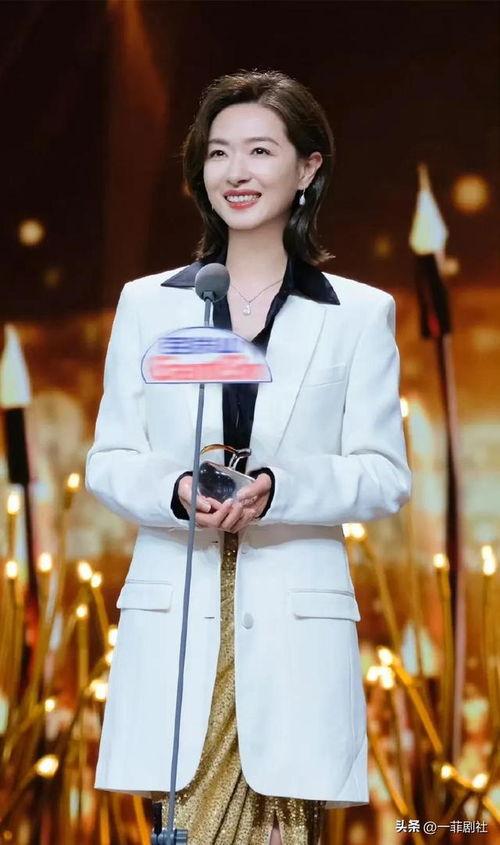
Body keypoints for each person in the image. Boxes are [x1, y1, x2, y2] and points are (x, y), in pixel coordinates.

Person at [86, 69, 412, 845]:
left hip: (293, 620)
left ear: (307, 168)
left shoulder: (357, 314)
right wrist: (174, 487)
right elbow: (109, 458)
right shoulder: (151, 304)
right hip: (178, 613)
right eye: (219, 151)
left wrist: (278, 487)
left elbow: (384, 473)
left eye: (261, 150)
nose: (236, 170)